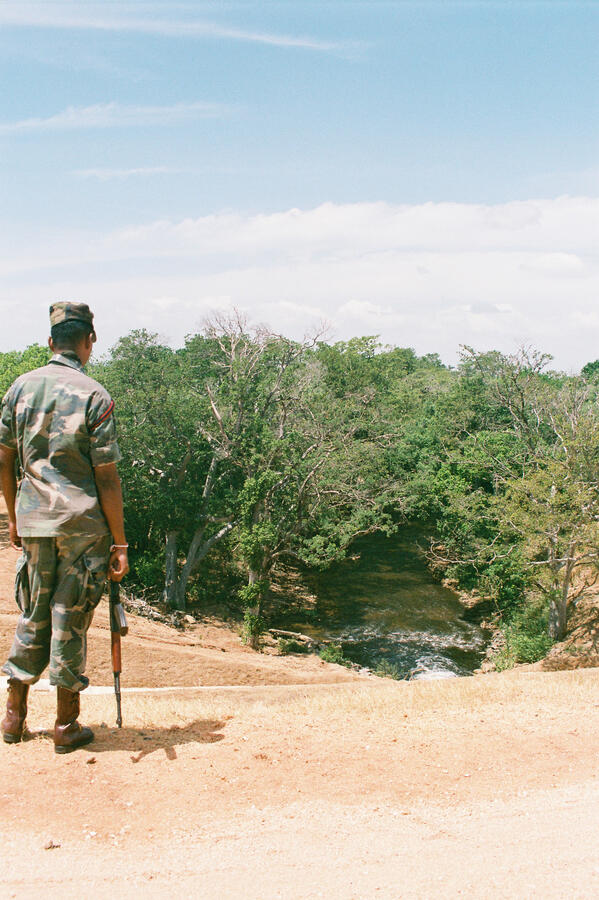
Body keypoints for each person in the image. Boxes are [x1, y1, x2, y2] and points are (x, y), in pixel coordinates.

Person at [0, 302, 129, 753]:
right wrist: (120, 541)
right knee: (68, 620)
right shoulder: (95, 395)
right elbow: (107, 475)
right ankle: (65, 726)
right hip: (82, 525)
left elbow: (3, 457)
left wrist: (15, 518)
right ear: (89, 341)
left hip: (34, 520)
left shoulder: (19, 388)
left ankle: (13, 718)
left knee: (33, 612)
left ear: (50, 341)